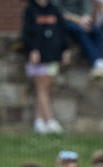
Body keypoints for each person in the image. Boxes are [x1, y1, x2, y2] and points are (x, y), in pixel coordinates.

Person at [22, 0, 71, 134]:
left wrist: (66, 49)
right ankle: (50, 120)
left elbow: (62, 30)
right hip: (38, 57)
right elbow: (27, 32)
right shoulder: (30, 10)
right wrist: (33, 50)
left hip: (53, 55)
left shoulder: (54, 9)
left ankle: (39, 121)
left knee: (45, 88)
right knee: (41, 87)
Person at [53, 0, 103, 78]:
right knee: (80, 30)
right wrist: (77, 19)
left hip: (80, 20)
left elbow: (87, 7)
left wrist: (86, 18)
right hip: (63, 22)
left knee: (97, 30)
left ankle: (99, 62)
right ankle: (97, 62)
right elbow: (57, 11)